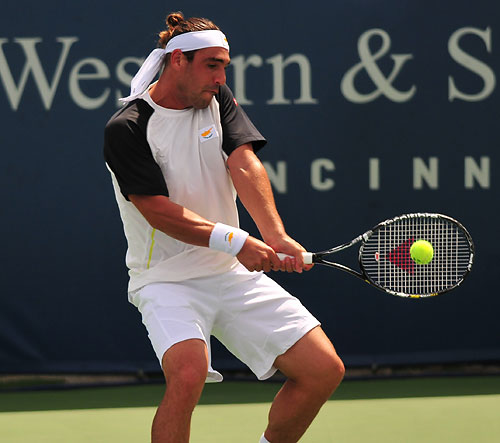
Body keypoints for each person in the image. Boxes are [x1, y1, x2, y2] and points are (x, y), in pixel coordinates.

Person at [104, 12, 344, 443]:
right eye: (212, 65)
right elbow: (157, 211)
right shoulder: (128, 128)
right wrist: (237, 241)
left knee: (323, 369)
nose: (220, 77)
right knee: (188, 374)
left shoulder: (217, 100)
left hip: (230, 273)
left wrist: (275, 236)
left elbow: (243, 162)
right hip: (166, 280)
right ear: (178, 60)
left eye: (224, 66)